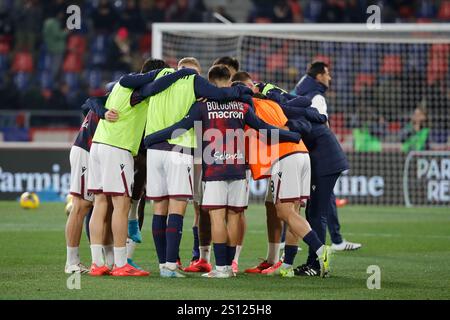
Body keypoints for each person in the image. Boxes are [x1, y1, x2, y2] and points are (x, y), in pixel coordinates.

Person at [144, 65, 304, 277]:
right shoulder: (242, 106)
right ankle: (231, 265)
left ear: (209, 84)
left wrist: (152, 138)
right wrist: (293, 136)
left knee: (217, 218)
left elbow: (180, 127)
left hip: (214, 167)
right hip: (238, 167)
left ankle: (221, 268)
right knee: (235, 216)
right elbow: (263, 128)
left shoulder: (201, 106)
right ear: (230, 82)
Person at [138, 57, 254, 277]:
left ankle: (163, 264)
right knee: (178, 206)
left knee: (159, 208)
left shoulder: (155, 80)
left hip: (154, 149)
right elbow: (220, 95)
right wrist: (243, 92)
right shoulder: (193, 80)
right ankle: (172, 265)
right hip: (179, 148)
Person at [87, 58, 192, 277]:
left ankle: (97, 264)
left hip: (98, 145)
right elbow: (154, 85)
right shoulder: (135, 90)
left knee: (100, 203)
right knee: (121, 205)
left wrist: (102, 111)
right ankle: (120, 263)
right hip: (117, 147)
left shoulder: (119, 87)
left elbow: (92, 100)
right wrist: (179, 73)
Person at [293, 61, 361, 276]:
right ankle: (317, 260)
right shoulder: (315, 96)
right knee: (315, 211)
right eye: (328, 74)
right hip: (323, 159)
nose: (330, 78)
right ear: (319, 76)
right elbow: (323, 124)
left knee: (316, 213)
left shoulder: (306, 94)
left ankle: (317, 264)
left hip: (325, 161)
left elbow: (321, 126)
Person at [65, 93, 118, 274]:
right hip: (86, 150)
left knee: (106, 204)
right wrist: (102, 112)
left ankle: (109, 260)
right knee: (81, 205)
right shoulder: (121, 94)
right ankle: (71, 262)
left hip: (98, 152)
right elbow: (89, 102)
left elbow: (86, 106)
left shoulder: (114, 97)